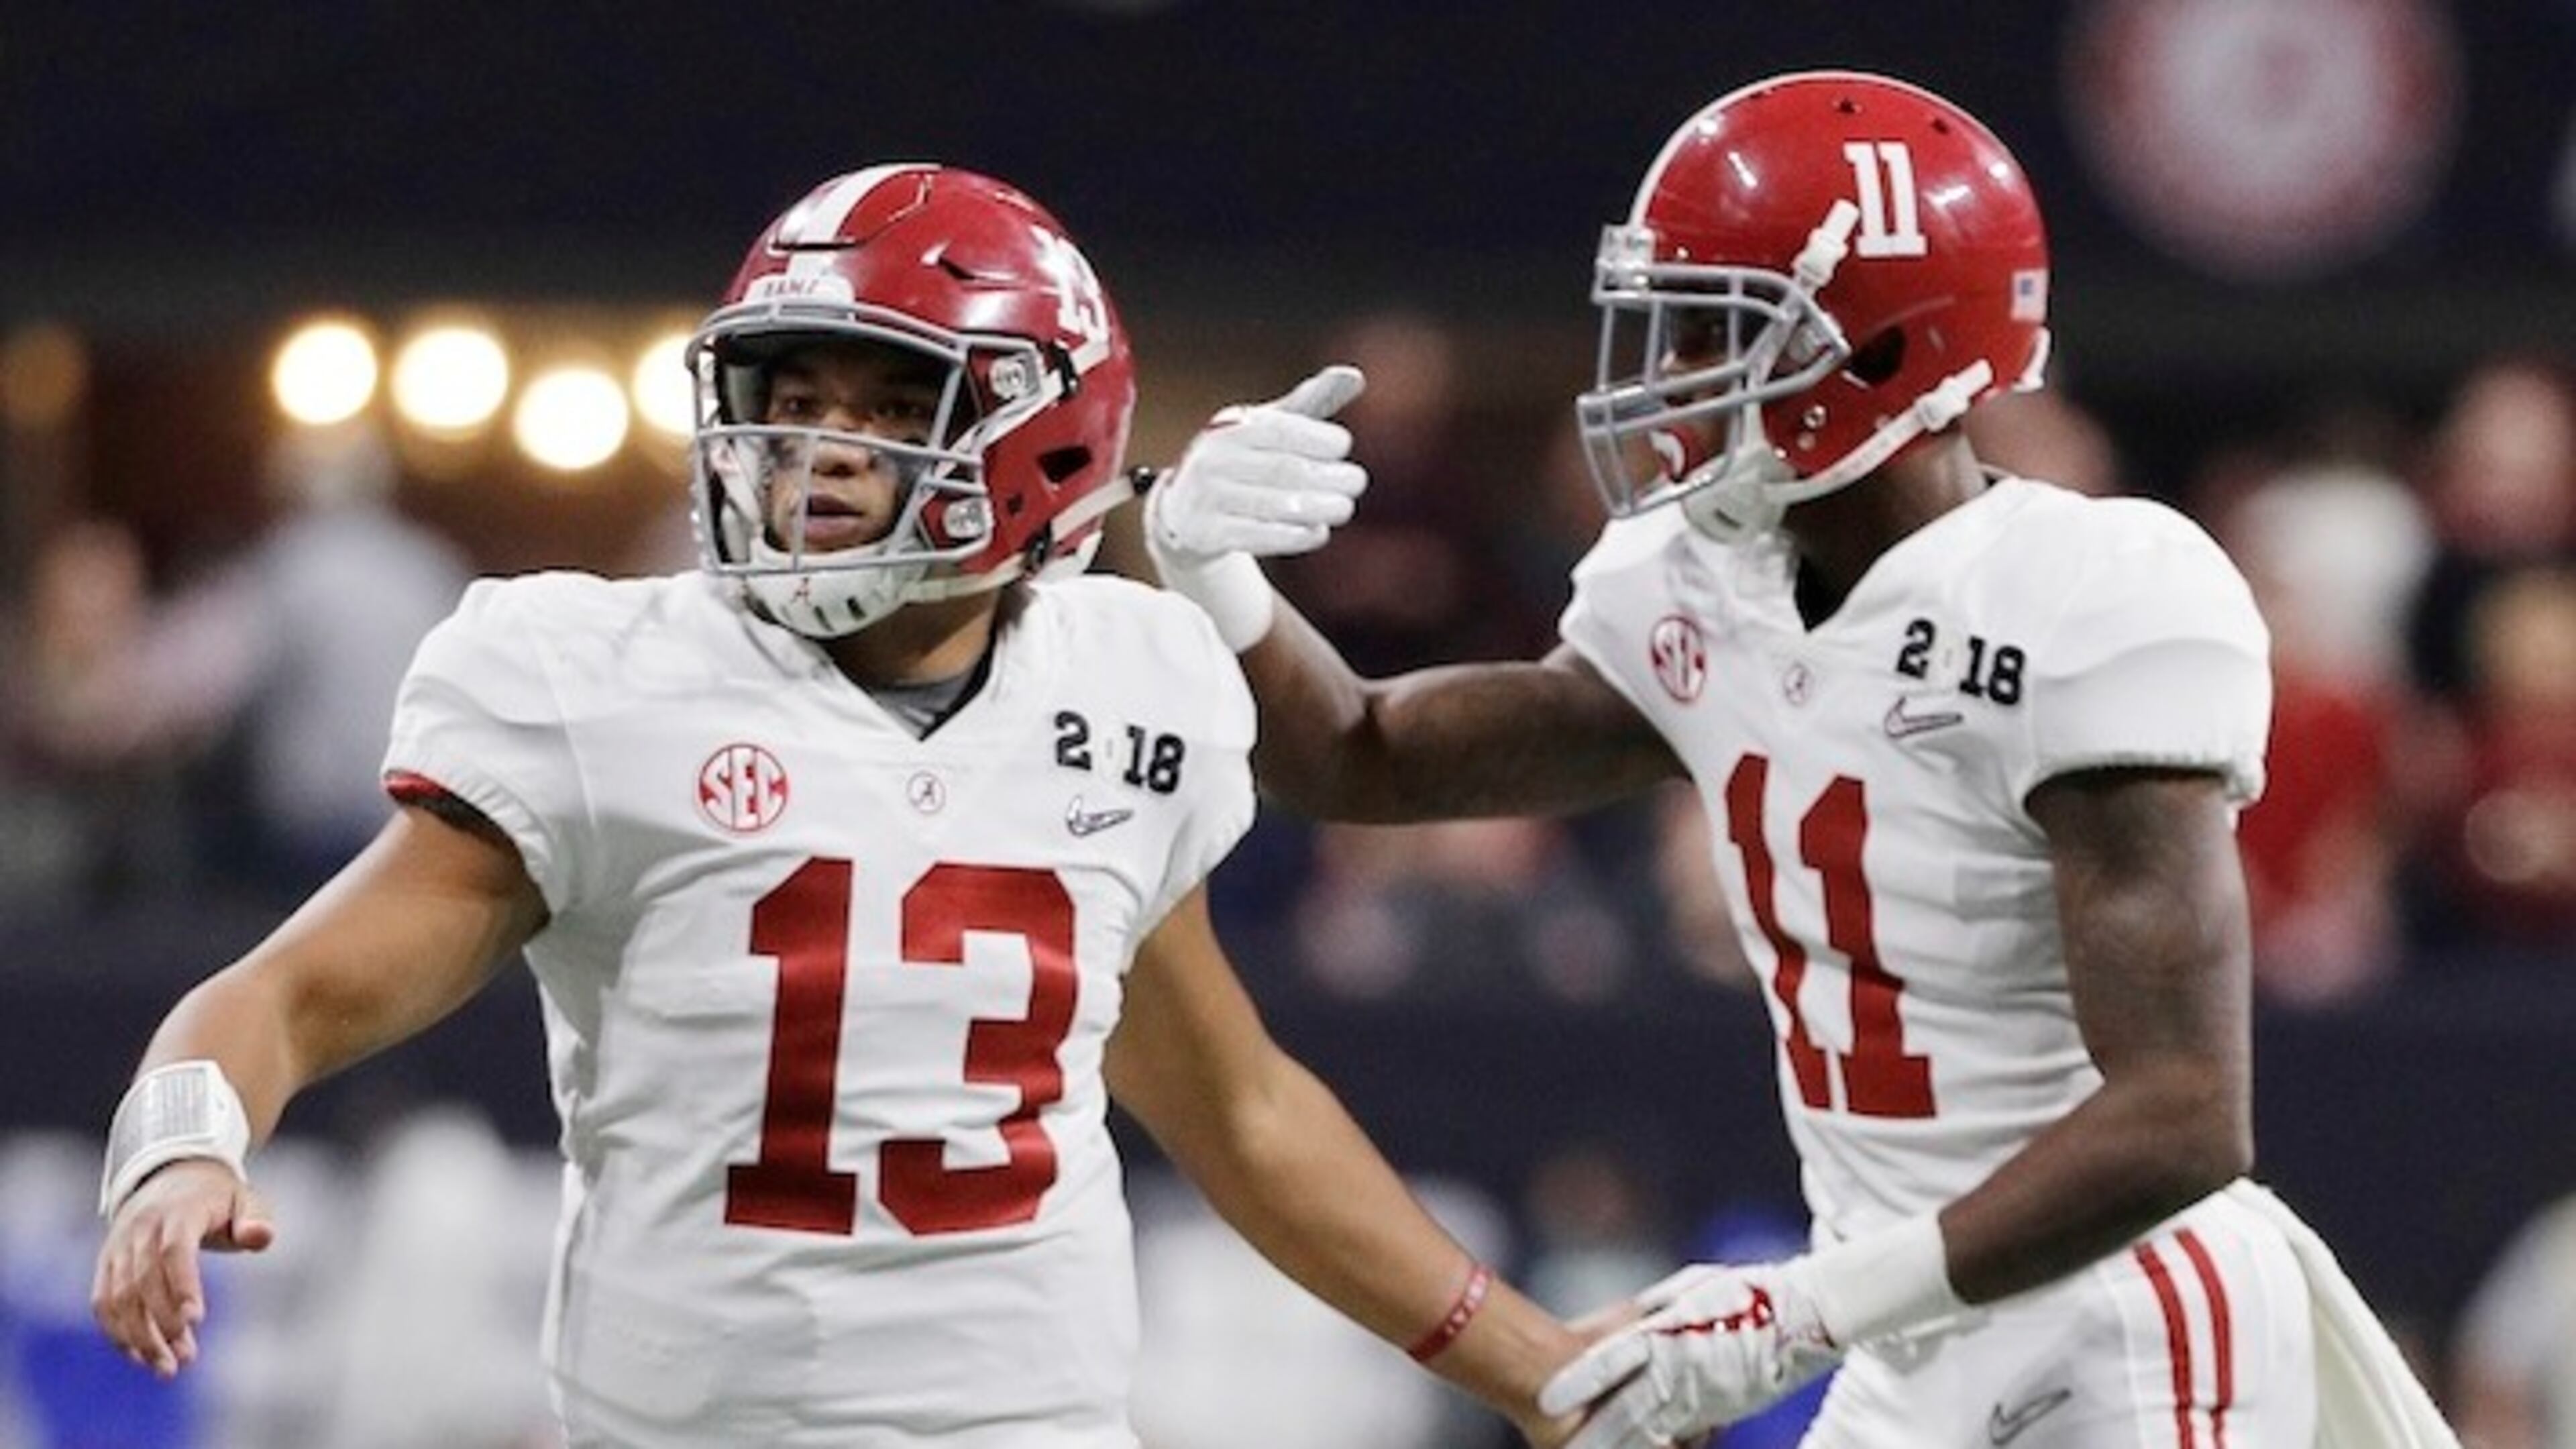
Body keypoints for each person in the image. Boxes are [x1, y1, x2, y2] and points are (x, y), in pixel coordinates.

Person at [89, 163, 1585, 1448]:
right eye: (789, 399)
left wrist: (1540, 1368)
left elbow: (1241, 1111)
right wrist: (183, 1143)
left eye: (886, 405)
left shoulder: (1137, 681)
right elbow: (286, 994)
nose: (815, 453)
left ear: (1031, 432)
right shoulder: (599, 682)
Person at [1143, 72, 2458, 1446]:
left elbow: (2185, 1118)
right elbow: (1367, 760)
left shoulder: (2090, 594)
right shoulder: (1700, 583)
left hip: (2118, 1308)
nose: (1666, 378)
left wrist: (1802, 1311)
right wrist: (1208, 570)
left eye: (1720, 328)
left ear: (1886, 350)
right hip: (1897, 1319)